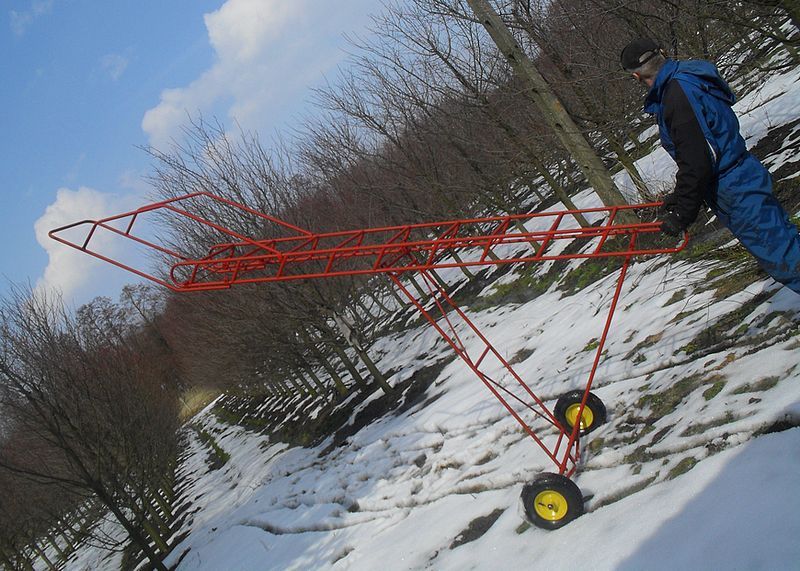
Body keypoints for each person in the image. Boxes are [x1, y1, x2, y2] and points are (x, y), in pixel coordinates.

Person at [620, 38, 800, 295]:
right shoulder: (690, 76)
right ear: (663, 52)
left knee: (784, 257)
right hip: (740, 172)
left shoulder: (677, 96)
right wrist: (681, 195)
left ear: (636, 76)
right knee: (784, 240)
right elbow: (705, 146)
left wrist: (683, 212)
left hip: (733, 186)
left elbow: (699, 159)